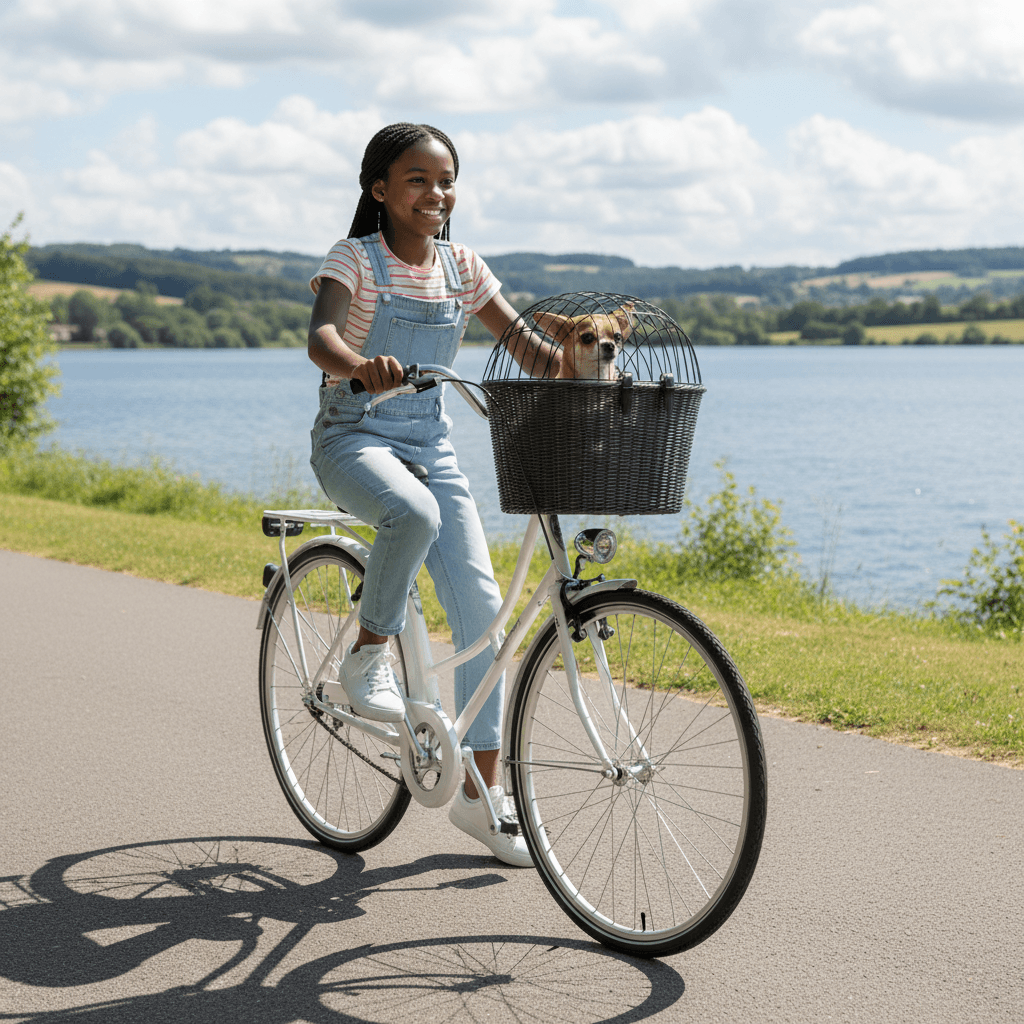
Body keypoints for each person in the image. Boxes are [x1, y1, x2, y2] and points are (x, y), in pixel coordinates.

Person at [306, 123, 558, 867]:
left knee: (485, 614)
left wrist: (590, 372)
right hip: (353, 436)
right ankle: (368, 654)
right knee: (411, 512)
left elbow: (529, 351)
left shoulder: (464, 267)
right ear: (379, 189)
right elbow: (321, 339)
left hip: (430, 443)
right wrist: (358, 364)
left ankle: (482, 799)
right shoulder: (353, 259)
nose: (436, 193)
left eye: (446, 180)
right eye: (417, 179)